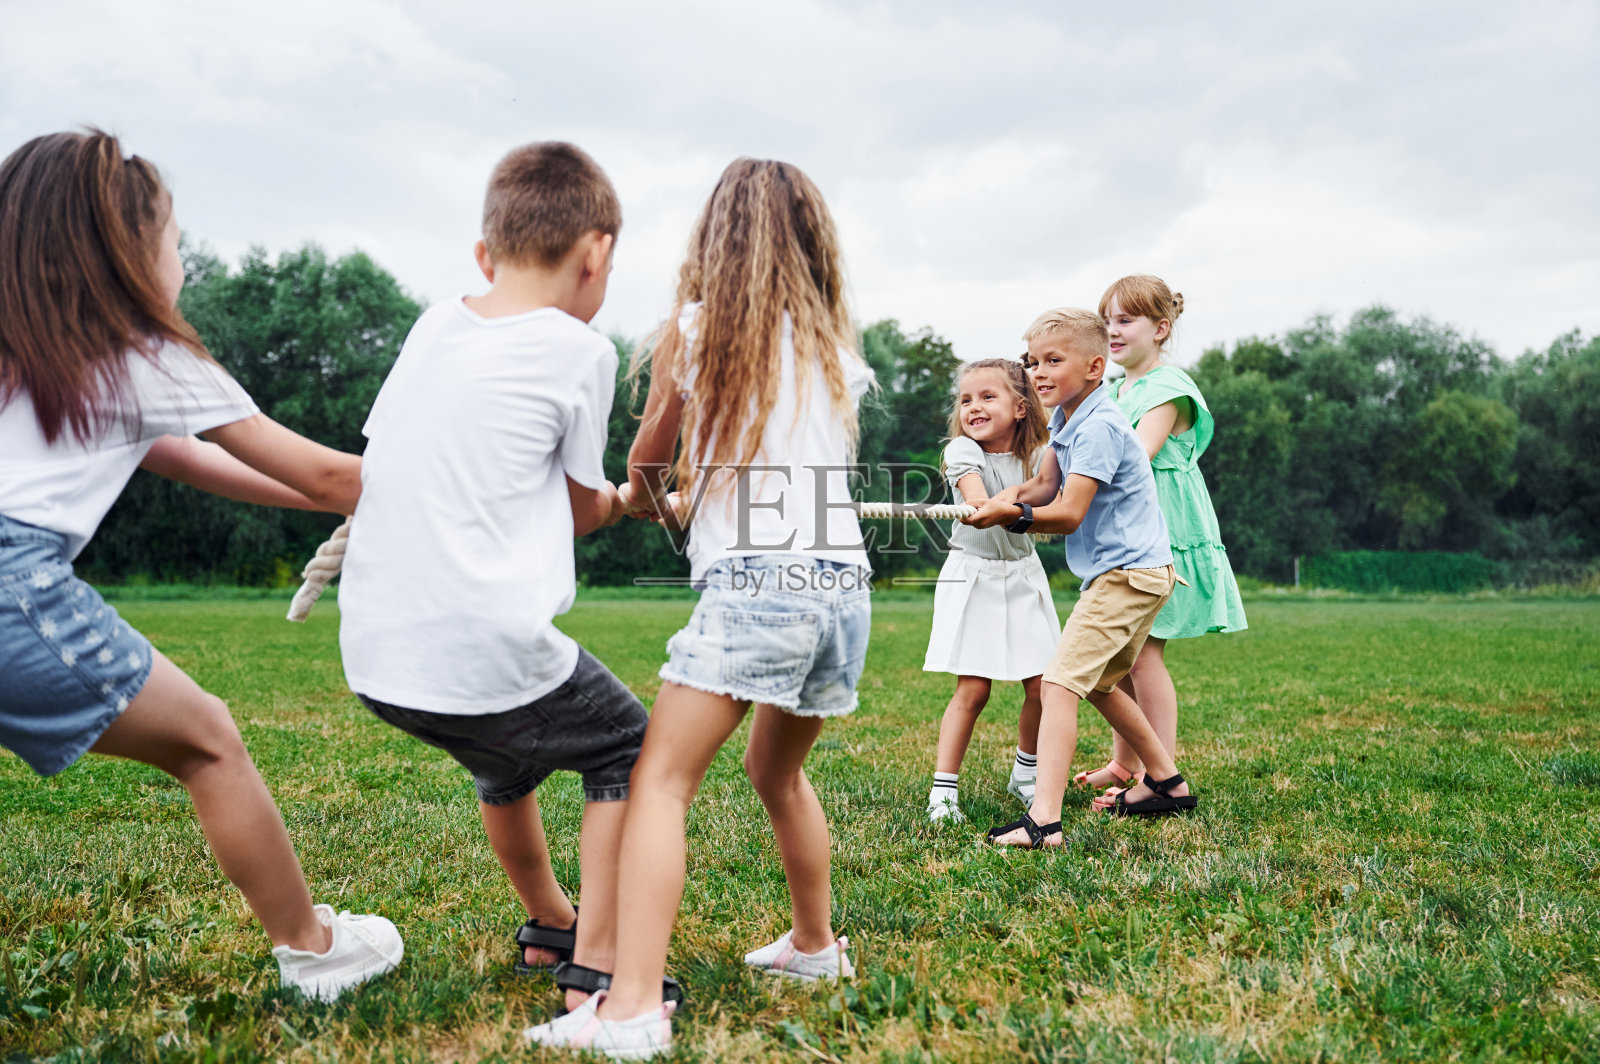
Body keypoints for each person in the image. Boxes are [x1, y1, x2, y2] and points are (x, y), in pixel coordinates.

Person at [0, 129, 402, 1001]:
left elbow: (190, 459)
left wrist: (345, 501)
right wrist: (464, 488)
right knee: (209, 741)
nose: (181, 262)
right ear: (129, 252)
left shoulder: (35, 346)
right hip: (13, 591)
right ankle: (314, 950)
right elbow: (324, 471)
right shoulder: (146, 353)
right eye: (175, 242)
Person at [525, 158, 874, 1058]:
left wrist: (646, 499)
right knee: (775, 771)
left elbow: (649, 459)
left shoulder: (697, 329)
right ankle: (814, 946)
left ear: (715, 239)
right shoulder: (835, 351)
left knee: (658, 781)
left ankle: (633, 1007)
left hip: (760, 583)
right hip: (842, 588)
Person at [335, 142, 662, 1014]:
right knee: (629, 747)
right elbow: (581, 507)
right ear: (596, 254)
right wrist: (631, 498)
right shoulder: (579, 350)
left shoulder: (434, 324)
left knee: (504, 763)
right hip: (477, 643)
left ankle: (549, 920)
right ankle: (596, 958)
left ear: (485, 254)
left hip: (377, 652)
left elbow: (401, 453)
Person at [967, 307, 1199, 850]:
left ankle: (1043, 821)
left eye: (1053, 360)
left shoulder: (1097, 426)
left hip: (1128, 575)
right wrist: (996, 502)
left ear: (1095, 367)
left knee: (1058, 684)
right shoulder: (1072, 418)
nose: (1038, 372)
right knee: (1099, 683)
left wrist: (1014, 517)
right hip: (1135, 573)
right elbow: (1044, 483)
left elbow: (1068, 512)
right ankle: (1166, 783)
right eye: (1032, 362)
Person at [1074, 276, 1247, 810]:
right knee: (1123, 654)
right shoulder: (1116, 389)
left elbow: (1139, 455)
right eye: (1107, 321)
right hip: (1126, 529)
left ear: (1161, 328)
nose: (1112, 331)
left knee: (1144, 652)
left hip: (1163, 530)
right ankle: (1124, 763)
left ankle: (1158, 777)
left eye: (1125, 320)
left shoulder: (1170, 387)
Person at [923, 358, 1058, 823]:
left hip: (1022, 573)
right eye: (965, 400)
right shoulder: (962, 450)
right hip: (974, 574)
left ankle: (1025, 773)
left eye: (987, 397)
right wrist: (987, 505)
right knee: (974, 689)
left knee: (1043, 685)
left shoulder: (1039, 457)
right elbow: (975, 495)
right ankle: (943, 793)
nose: (973, 407)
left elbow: (1052, 496)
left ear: (1021, 408)